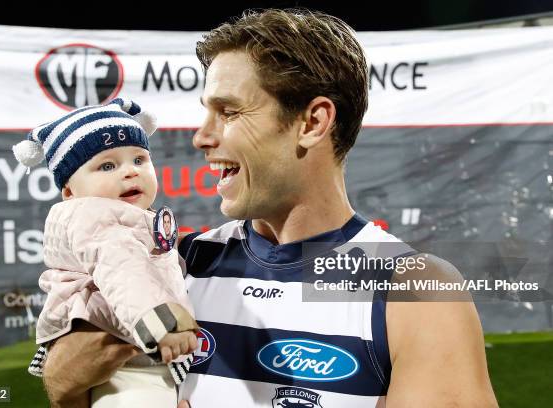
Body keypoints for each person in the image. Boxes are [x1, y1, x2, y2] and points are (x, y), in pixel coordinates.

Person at [34, 9, 499, 408]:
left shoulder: (413, 291)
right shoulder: (179, 263)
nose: (201, 136)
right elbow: (66, 383)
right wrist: (66, 377)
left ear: (312, 122)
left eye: (229, 112)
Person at [13, 98, 199, 407]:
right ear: (70, 192)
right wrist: (160, 320)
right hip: (128, 350)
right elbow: (121, 268)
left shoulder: (129, 217)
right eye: (107, 166)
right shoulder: (94, 216)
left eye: (139, 160)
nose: (130, 172)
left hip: (135, 344)